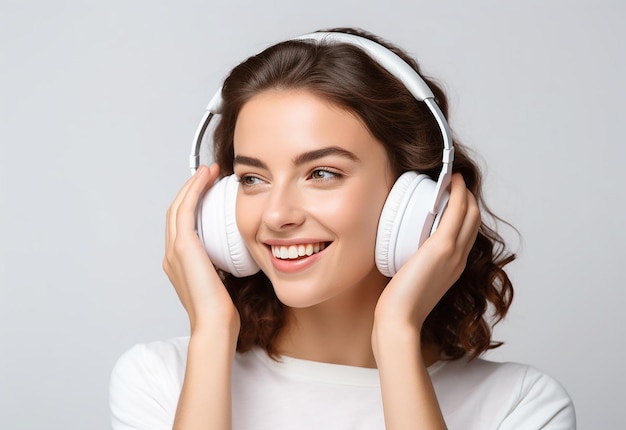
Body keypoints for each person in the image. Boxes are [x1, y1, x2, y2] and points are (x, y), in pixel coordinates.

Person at [110, 28, 575, 429]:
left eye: (322, 173)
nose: (276, 215)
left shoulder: (519, 406)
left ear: (416, 200)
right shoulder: (161, 379)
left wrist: (396, 335)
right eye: (253, 179)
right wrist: (211, 333)